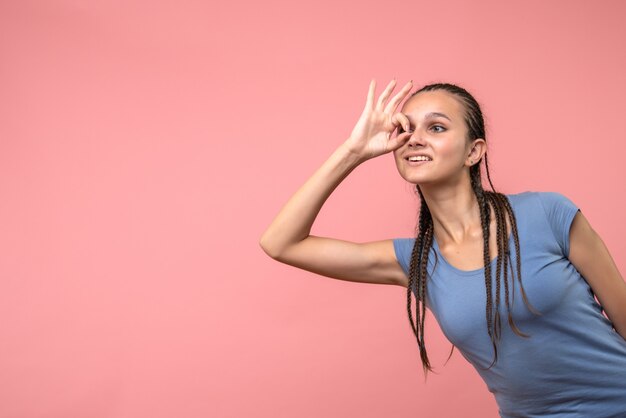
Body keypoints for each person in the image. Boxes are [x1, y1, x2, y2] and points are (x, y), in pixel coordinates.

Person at [259, 79, 626, 417]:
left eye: (436, 127)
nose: (415, 139)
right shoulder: (414, 262)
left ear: (473, 151)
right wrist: (354, 151)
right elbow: (281, 243)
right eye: (406, 129)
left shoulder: (547, 213)